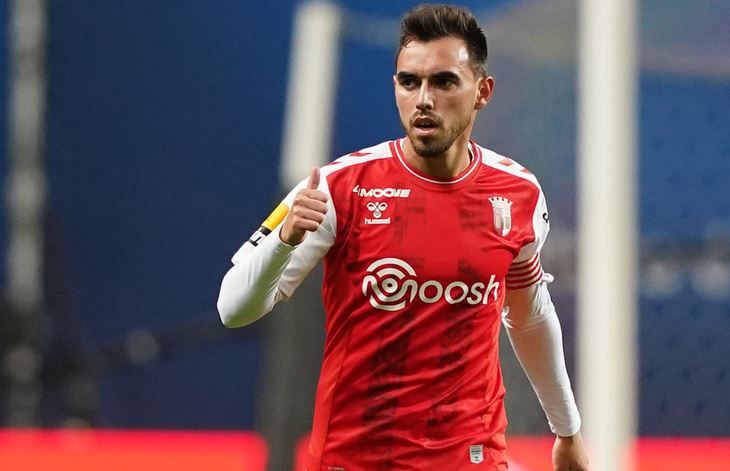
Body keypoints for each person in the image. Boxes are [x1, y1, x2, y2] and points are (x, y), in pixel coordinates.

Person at [218, 4, 589, 470]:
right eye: (409, 82)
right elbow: (233, 309)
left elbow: (529, 316)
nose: (423, 99)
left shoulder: (518, 194)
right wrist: (284, 241)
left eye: (444, 81)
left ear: (482, 91)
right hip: (353, 459)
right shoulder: (338, 188)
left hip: (471, 457)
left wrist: (567, 432)